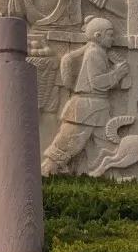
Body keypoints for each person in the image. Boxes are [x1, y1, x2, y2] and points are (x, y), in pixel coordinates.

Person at [42, 16, 130, 175]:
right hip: (86, 108)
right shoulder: (94, 53)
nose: (113, 39)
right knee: (70, 141)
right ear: (98, 36)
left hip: (96, 106)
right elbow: (97, 83)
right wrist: (117, 73)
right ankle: (48, 169)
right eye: (110, 34)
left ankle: (108, 173)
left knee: (105, 144)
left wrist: (118, 75)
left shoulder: (99, 52)